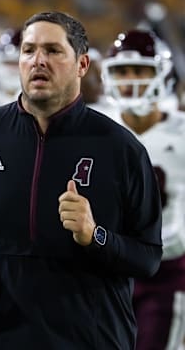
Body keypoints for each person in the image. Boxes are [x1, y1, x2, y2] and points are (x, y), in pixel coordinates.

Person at [0, 11, 163, 349]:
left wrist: (94, 235)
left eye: (53, 50)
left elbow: (149, 257)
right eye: (29, 50)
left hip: (86, 338)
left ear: (82, 65)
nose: (38, 60)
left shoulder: (122, 149)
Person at [101, 28, 185, 350]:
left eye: (141, 70)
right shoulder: (97, 129)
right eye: (122, 71)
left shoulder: (180, 132)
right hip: (108, 273)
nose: (131, 80)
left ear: (161, 75)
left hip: (167, 273)